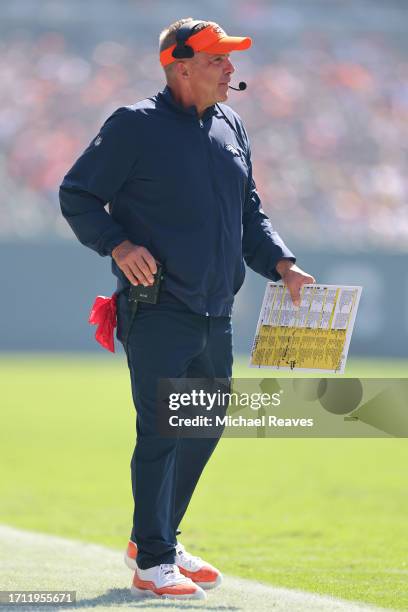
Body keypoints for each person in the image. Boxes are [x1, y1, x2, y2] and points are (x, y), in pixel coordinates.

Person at [59, 18, 315, 601]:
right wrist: (118, 245)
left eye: (229, 60)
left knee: (205, 424)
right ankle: (153, 561)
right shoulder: (133, 126)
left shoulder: (231, 124)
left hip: (215, 311)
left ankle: (155, 540)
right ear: (179, 67)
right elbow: (76, 194)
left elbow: (250, 215)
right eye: (217, 60)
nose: (231, 70)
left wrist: (282, 264)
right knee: (161, 431)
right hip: (158, 309)